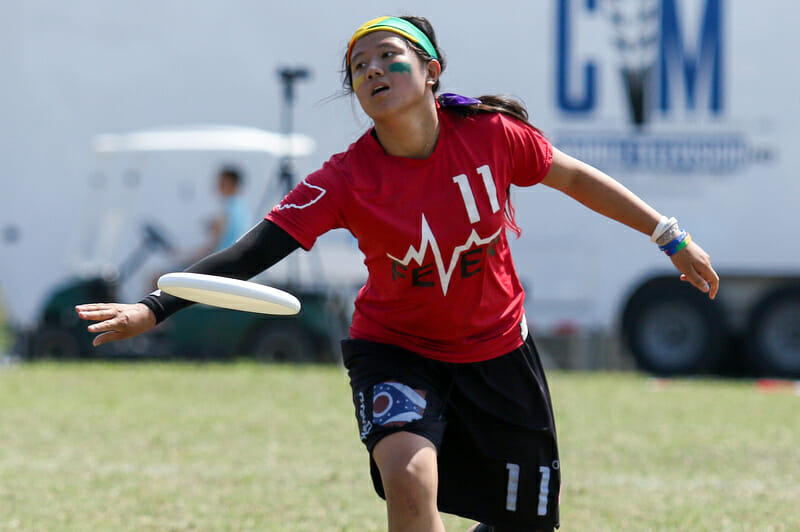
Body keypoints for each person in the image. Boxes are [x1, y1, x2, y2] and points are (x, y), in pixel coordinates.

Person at [75, 15, 719, 531]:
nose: (373, 71)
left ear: (431, 71)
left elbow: (575, 178)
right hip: (397, 352)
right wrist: (154, 307)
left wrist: (670, 235)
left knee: (526, 524)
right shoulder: (345, 178)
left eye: (389, 57)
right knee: (409, 482)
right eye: (359, 67)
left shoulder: (493, 135)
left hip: (499, 352)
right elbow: (251, 252)